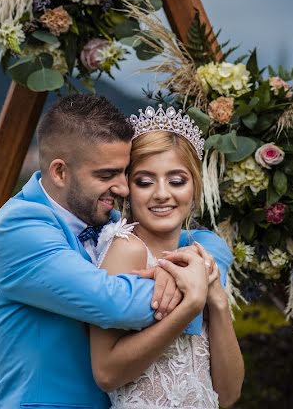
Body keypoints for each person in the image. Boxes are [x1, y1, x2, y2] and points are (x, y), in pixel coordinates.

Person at [0, 94, 232, 408]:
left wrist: (204, 265)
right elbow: (115, 302)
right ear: (60, 172)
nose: (123, 189)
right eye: (106, 175)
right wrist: (194, 292)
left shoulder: (103, 217)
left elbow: (201, 240)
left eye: (124, 173)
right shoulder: (18, 229)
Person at [90, 106, 244, 408]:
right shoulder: (126, 250)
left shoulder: (200, 259)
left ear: (195, 188)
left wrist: (217, 300)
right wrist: (191, 305)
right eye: (145, 182)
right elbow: (106, 374)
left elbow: (228, 395)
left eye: (176, 181)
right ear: (128, 189)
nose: (162, 194)